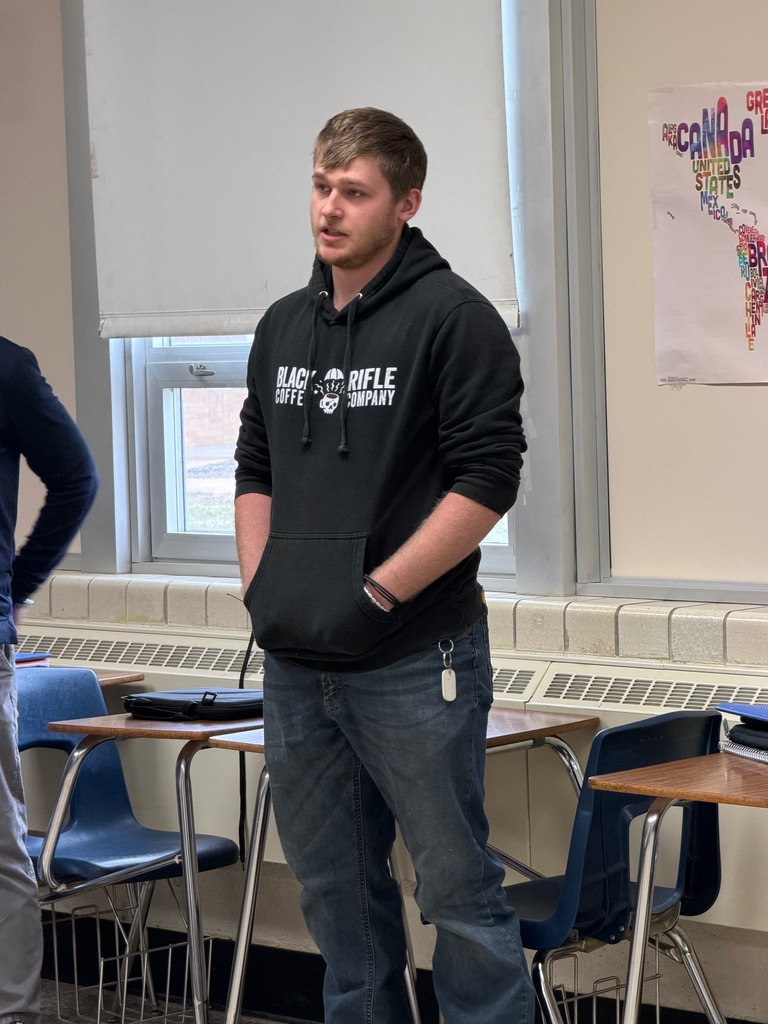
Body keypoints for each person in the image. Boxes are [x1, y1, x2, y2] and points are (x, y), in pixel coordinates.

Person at [234, 107, 533, 1024]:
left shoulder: (455, 319)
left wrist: (374, 594)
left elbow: (489, 480)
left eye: (353, 192)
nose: (329, 209)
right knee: (337, 905)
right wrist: (262, 593)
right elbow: (256, 468)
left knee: (459, 901)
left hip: (414, 661)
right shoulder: (284, 325)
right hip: (297, 667)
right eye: (321, 187)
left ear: (406, 203)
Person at [0, 336, 99, 1024]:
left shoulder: (5, 367)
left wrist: (16, 586)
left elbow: (76, 479)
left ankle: (14, 1013)